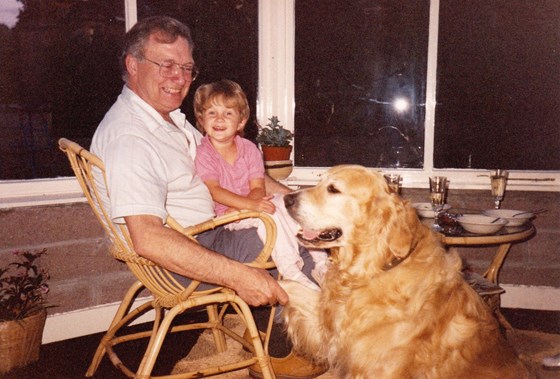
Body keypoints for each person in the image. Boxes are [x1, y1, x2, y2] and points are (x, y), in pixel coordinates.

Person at [90, 16, 326, 378]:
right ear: (132, 65)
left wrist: (299, 202)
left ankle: (303, 328)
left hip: (212, 231)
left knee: (306, 228)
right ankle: (282, 354)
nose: (179, 77)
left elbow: (248, 179)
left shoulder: (167, 120)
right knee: (296, 249)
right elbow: (148, 239)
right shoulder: (131, 138)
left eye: (186, 67)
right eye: (166, 64)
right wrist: (240, 277)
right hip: (181, 254)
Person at [193, 79, 329, 291]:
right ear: (202, 119)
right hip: (228, 214)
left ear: (240, 122)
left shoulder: (249, 149)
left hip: (251, 202)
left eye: (228, 113)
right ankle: (291, 270)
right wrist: (250, 206)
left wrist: (254, 202)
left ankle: (321, 264)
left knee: (286, 204)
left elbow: (258, 186)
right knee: (269, 216)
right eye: (212, 113)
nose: (219, 118)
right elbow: (215, 191)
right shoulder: (205, 153)